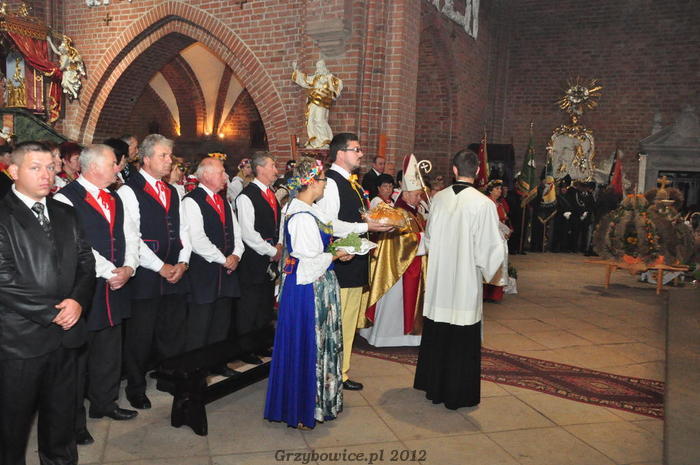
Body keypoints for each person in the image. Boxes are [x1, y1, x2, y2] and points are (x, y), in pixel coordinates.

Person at [0, 141, 95, 465]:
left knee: (61, 422)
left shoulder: (65, 211)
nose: (46, 174)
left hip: (66, 337)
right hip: (20, 340)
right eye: (35, 167)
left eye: (50, 167)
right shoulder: (3, 214)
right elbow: (4, 280)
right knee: (12, 428)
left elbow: (86, 262)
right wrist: (52, 313)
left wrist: (78, 301)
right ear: (13, 171)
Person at [54, 145, 141, 445]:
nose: (118, 168)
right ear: (92, 167)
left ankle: (105, 403)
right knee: (78, 360)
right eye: (113, 163)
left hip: (116, 284)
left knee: (109, 349)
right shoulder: (65, 198)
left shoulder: (115, 196)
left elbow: (130, 234)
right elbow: (77, 244)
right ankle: (74, 422)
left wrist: (129, 267)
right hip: (85, 288)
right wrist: (110, 272)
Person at [414, 149, 504, 409]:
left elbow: (429, 238)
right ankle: (457, 394)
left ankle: (433, 385)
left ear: (454, 170)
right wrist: (492, 273)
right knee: (462, 333)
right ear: (477, 171)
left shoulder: (439, 199)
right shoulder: (484, 204)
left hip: (440, 280)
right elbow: (490, 248)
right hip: (465, 281)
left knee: (438, 330)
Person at [265, 157, 350, 429]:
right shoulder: (301, 216)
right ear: (312, 182)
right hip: (307, 290)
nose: (325, 184)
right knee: (308, 345)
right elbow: (310, 261)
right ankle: (302, 407)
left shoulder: (307, 209)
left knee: (314, 344)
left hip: (312, 284)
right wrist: (337, 254)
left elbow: (321, 242)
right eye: (323, 180)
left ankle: (313, 403)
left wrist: (339, 248)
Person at [118, 134, 191, 410]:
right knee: (141, 335)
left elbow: (183, 230)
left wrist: (183, 262)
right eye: (163, 155)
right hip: (146, 275)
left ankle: (168, 377)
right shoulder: (129, 191)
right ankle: (136, 387)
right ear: (146, 159)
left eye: (170, 155)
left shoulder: (173, 191)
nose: (169, 160)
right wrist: (161, 267)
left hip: (175, 272)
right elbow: (132, 237)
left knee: (172, 332)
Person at [316, 133, 393, 391]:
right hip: (341, 263)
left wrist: (376, 221)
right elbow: (328, 223)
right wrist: (366, 226)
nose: (361, 154)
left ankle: (342, 371)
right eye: (356, 149)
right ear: (341, 153)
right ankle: (331, 372)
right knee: (337, 322)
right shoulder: (331, 182)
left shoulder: (351, 182)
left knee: (349, 321)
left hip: (354, 260)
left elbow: (354, 215)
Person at [183, 157, 243, 375]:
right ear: (206, 175)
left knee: (221, 321)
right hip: (204, 272)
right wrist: (224, 259)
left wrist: (236, 254)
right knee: (200, 324)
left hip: (226, 271)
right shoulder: (192, 201)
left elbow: (237, 232)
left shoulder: (222, 200)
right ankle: (195, 369)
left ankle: (217, 363)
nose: (225, 176)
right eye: (221, 172)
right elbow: (197, 239)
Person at [361, 154, 427, 347]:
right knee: (396, 302)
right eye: (417, 195)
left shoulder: (414, 212)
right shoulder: (400, 213)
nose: (420, 198)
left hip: (412, 266)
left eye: (420, 195)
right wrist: (425, 239)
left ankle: (408, 335)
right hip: (398, 269)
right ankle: (388, 336)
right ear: (406, 194)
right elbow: (402, 241)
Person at [235, 152, 282, 364]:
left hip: (270, 258)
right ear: (260, 169)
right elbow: (248, 233)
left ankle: (262, 344)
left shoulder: (271, 194)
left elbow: (278, 224)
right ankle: (246, 349)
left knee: (264, 304)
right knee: (250, 306)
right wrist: (272, 251)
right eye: (272, 166)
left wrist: (279, 244)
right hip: (253, 260)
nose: (276, 170)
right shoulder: (246, 197)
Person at [291, 60, 343, 149]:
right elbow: (306, 80)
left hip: (322, 101)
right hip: (313, 101)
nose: (319, 69)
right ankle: (314, 141)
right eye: (318, 67)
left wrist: (329, 90)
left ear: (324, 67)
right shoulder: (315, 78)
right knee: (310, 120)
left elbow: (337, 85)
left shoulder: (329, 77)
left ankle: (325, 140)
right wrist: (296, 70)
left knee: (319, 119)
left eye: (320, 66)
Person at [482, 179, 512, 303]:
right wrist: (503, 229)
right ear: (490, 190)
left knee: (499, 264)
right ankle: (485, 293)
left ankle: (494, 294)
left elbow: (504, 219)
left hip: (500, 237)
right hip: (489, 238)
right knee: (489, 263)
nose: (500, 191)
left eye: (500, 189)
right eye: (497, 189)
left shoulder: (500, 204)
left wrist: (507, 230)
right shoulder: (486, 203)